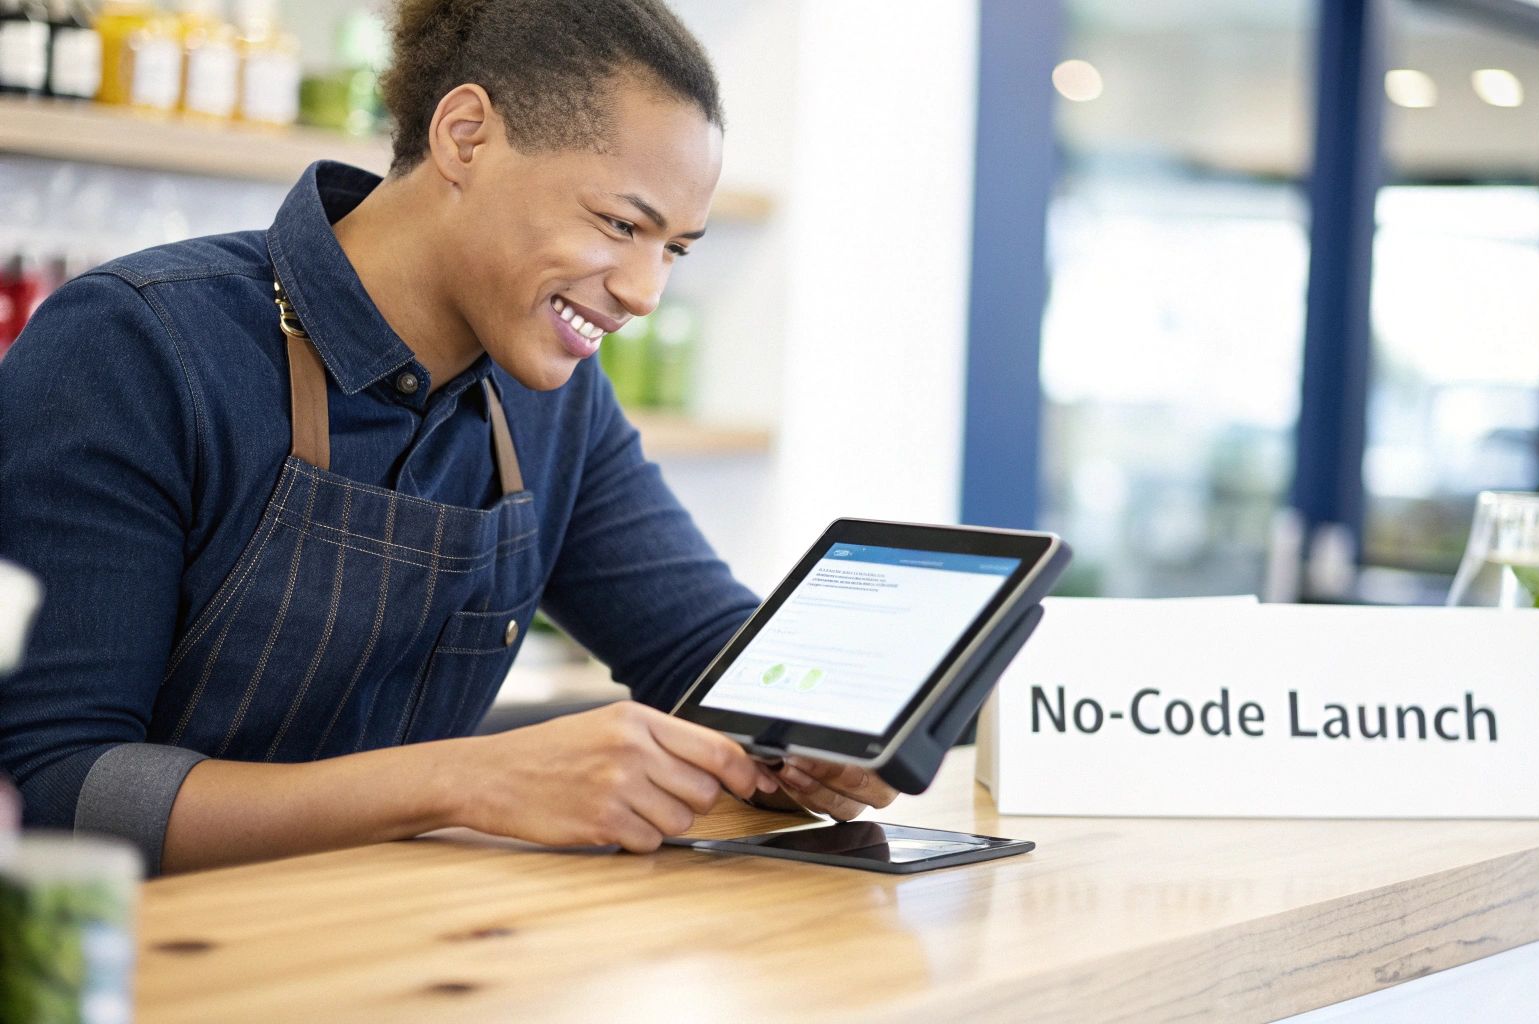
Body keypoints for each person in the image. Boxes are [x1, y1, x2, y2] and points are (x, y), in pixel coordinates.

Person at [0, 0, 897, 876]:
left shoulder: (554, 402)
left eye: (676, 249)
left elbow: (706, 650)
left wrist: (819, 735)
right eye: (622, 224)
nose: (644, 291)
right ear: (465, 136)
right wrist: (459, 783)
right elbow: (55, 788)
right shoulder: (136, 347)